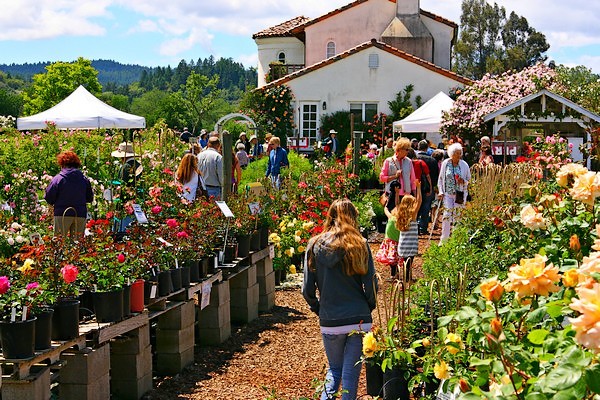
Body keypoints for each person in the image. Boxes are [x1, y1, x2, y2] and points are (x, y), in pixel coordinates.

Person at [302, 199, 378, 400]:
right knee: (350, 375)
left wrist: (318, 308)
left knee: (334, 370)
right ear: (354, 218)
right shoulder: (360, 244)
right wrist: (369, 306)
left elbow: (307, 289)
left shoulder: (314, 245)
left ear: (330, 216)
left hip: (330, 318)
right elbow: (371, 284)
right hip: (358, 317)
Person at [44, 151, 93, 236]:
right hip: (80, 214)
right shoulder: (84, 179)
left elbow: (49, 197)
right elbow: (89, 198)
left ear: (62, 164)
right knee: (77, 243)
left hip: (62, 214)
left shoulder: (58, 179)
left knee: (60, 242)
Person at [438, 143, 471, 242]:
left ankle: (456, 238)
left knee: (458, 216)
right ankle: (444, 239)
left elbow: (469, 180)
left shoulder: (464, 165)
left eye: (460, 153)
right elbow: (441, 178)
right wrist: (440, 191)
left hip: (459, 194)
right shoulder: (446, 163)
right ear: (451, 154)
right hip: (448, 193)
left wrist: (463, 181)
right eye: (457, 153)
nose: (459, 155)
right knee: (446, 216)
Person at [379, 138, 416, 213]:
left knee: (405, 217)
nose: (408, 151)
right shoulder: (388, 161)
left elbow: (412, 179)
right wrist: (395, 176)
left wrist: (414, 194)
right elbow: (382, 178)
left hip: (406, 195)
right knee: (392, 217)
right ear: (400, 149)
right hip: (392, 194)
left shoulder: (408, 161)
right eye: (406, 149)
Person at [396, 181, 422, 282]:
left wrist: (397, 194)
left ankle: (405, 276)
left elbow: (397, 204)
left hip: (403, 244)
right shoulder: (413, 216)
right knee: (409, 263)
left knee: (405, 262)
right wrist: (418, 188)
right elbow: (419, 202)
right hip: (411, 244)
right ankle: (408, 278)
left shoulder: (400, 215)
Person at [375, 193, 401, 280]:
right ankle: (396, 274)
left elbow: (386, 209)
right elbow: (397, 204)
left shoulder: (391, 218)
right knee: (396, 260)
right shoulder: (400, 221)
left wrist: (386, 203)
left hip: (390, 242)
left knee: (392, 261)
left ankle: (393, 275)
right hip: (397, 242)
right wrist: (396, 194)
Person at [416, 140, 439, 235]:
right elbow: (436, 175)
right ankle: (423, 227)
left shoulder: (414, 159)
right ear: (427, 148)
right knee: (426, 207)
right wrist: (433, 186)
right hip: (429, 188)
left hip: (416, 186)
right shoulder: (432, 160)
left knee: (416, 206)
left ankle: (414, 226)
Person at [408, 148, 432, 235]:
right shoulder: (421, 163)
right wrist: (430, 188)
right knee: (424, 208)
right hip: (420, 187)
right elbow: (428, 176)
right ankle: (422, 227)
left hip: (409, 188)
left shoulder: (406, 163)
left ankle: (412, 227)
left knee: (411, 208)